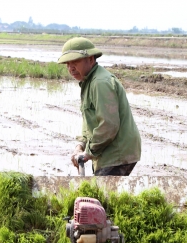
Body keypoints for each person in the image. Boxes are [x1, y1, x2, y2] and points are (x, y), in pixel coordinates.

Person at [58, 37, 141, 176]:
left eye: (75, 61)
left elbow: (108, 125)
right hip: (108, 152)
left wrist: (88, 153)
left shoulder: (100, 83)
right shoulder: (88, 81)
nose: (71, 68)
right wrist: (81, 145)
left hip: (117, 154)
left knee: (103, 194)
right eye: (67, 63)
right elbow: (89, 122)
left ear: (90, 59)